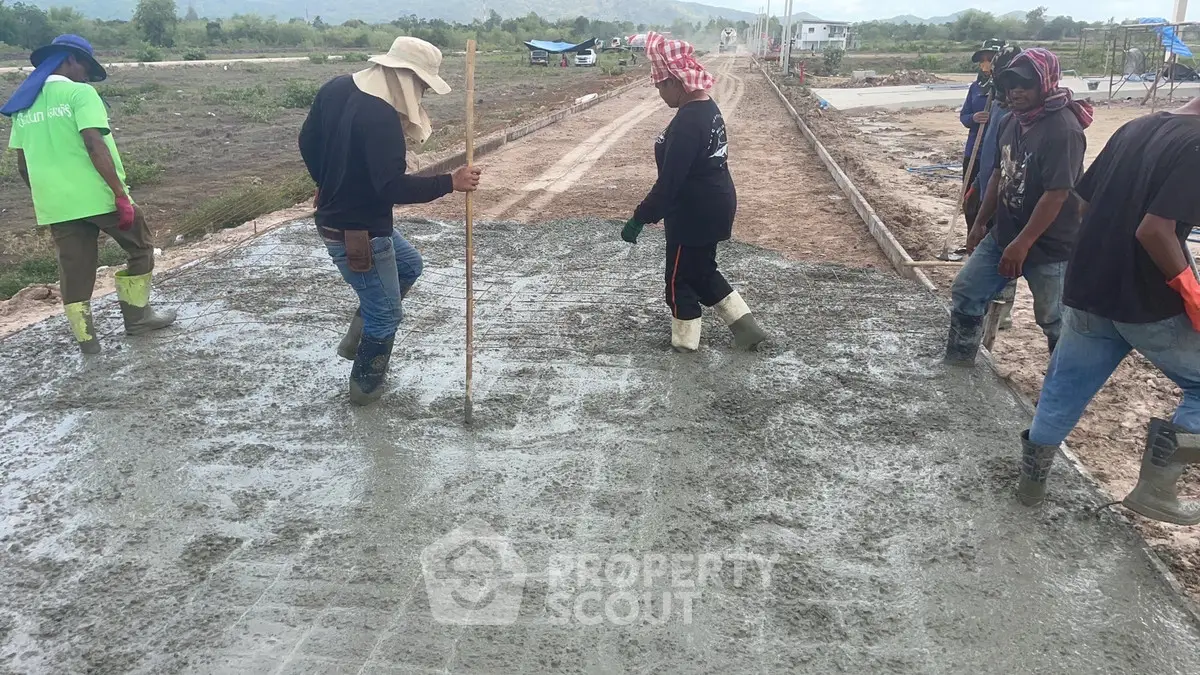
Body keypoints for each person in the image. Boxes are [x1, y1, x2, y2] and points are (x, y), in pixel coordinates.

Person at [1015, 98, 1200, 522]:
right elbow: (1154, 230)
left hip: (1088, 288)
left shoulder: (1138, 126)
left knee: (1063, 388)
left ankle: (1030, 486)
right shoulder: (1196, 145)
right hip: (1145, 302)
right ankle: (1158, 487)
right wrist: (1191, 292)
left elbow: (1084, 203)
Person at [299, 36, 481, 405]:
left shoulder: (336, 87)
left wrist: (325, 182)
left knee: (410, 265)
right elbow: (391, 187)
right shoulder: (381, 117)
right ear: (404, 77)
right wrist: (451, 182)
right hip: (358, 232)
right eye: (422, 85)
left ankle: (355, 340)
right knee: (387, 313)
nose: (423, 96)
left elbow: (307, 140)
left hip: (342, 217)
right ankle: (364, 389)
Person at [2, 34, 175, 353]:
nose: (86, 73)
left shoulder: (24, 104)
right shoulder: (80, 93)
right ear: (69, 59)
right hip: (100, 196)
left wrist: (49, 195)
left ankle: (87, 342)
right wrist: (120, 194)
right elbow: (94, 144)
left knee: (74, 271)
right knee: (141, 247)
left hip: (57, 204)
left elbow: (23, 165)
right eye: (85, 66)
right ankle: (138, 319)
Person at [620, 32, 767, 353]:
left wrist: (639, 217)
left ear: (675, 82)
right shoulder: (706, 107)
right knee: (701, 271)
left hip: (693, 213)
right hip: (713, 204)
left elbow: (670, 182)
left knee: (678, 280)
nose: (659, 93)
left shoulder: (688, 121)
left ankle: (685, 346)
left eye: (660, 85)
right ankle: (747, 328)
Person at [944, 48, 1091, 366]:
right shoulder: (1010, 122)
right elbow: (999, 172)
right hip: (1004, 233)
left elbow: (1057, 194)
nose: (1016, 92)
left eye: (1025, 84)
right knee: (968, 290)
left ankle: (1059, 392)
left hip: (1051, 245)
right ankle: (959, 364)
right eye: (1010, 84)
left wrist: (1023, 244)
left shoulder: (1063, 131)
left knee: (1055, 320)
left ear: (1046, 84)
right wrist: (981, 223)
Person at [968, 43, 1022, 331]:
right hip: (989, 182)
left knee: (1008, 254)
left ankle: (1002, 311)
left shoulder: (1020, 112)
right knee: (989, 248)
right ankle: (987, 302)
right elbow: (992, 151)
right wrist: (978, 181)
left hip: (1012, 198)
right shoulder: (996, 102)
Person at [960, 38, 1003, 230]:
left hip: (996, 155)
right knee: (970, 197)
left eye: (990, 59)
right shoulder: (976, 88)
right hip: (974, 151)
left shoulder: (1005, 90)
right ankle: (971, 237)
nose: (985, 64)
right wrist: (974, 117)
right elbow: (964, 116)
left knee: (993, 199)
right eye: (982, 60)